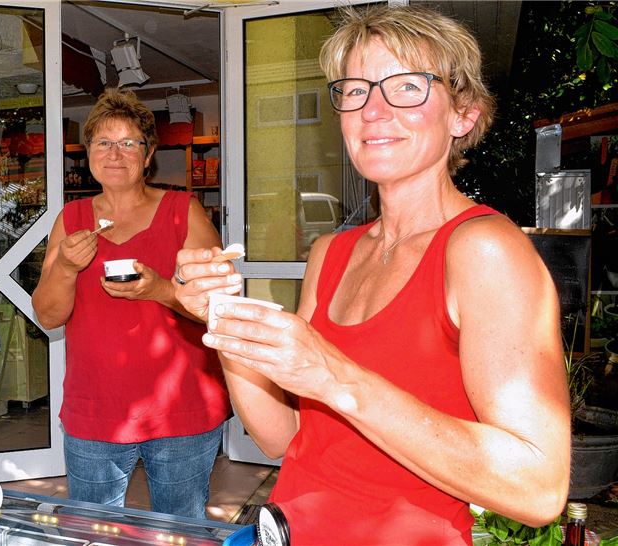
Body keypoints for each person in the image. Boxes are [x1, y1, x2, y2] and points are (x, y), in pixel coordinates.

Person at [174, 5, 570, 543]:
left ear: (463, 115)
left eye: (406, 86)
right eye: (356, 89)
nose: (373, 110)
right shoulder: (330, 253)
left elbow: (538, 489)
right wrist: (223, 320)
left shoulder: (484, 250)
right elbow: (283, 437)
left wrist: (334, 376)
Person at [31, 88, 232, 519]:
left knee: (180, 530)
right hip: (95, 411)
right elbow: (47, 315)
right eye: (103, 142)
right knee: (93, 528)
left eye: (129, 143)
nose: (115, 153)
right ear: (88, 153)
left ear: (149, 154)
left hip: (181, 411)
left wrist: (160, 289)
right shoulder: (71, 219)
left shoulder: (184, 211)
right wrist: (66, 266)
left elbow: (219, 305)